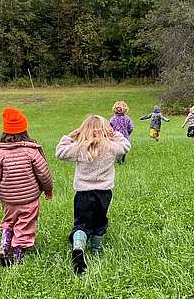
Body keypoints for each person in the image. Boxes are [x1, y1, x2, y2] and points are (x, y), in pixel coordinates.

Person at [55, 115, 131, 274]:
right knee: (99, 221)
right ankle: (96, 250)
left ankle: (78, 247)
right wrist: (115, 134)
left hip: (83, 193)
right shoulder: (111, 146)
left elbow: (60, 152)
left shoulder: (79, 147)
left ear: (83, 130)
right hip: (104, 193)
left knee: (81, 222)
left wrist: (69, 136)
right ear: (106, 130)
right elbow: (125, 145)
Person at [0, 107, 54, 266]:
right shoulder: (32, 152)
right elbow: (44, 174)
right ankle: (17, 254)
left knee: (9, 220)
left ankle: (4, 244)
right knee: (25, 224)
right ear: (25, 130)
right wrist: (48, 190)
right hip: (29, 199)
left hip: (8, 200)